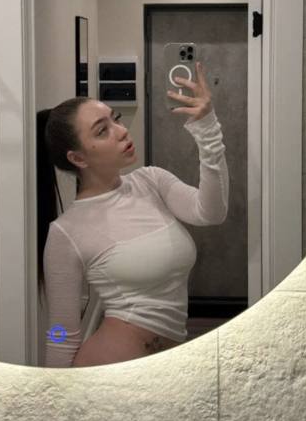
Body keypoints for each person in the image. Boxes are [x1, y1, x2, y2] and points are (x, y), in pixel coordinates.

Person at [36, 62, 229, 368]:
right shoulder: (66, 231)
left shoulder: (151, 181)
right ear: (78, 158)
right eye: (102, 131)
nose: (122, 131)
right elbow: (60, 334)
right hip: (107, 373)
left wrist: (207, 130)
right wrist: (54, 392)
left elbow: (211, 212)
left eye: (115, 119)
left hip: (168, 367)